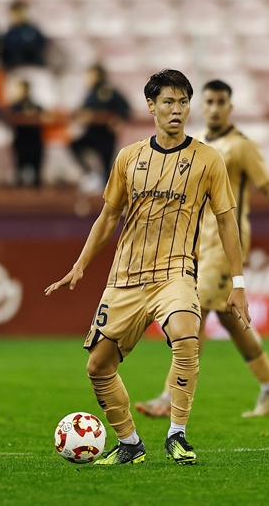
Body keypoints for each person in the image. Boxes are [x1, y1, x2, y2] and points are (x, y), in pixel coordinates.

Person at [45, 69, 250, 466]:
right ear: (151, 106)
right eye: (169, 102)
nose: (177, 110)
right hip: (124, 278)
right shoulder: (129, 158)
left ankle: (177, 434)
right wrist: (80, 265)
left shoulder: (209, 160)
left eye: (184, 102)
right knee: (98, 366)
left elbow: (227, 220)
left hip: (175, 274)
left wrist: (238, 282)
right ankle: (129, 444)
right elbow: (107, 217)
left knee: (187, 336)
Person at [135, 80, 269, 419]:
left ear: (230, 107)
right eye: (210, 102)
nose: (216, 108)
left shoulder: (241, 147)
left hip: (225, 241)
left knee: (195, 311)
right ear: (201, 106)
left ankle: (169, 395)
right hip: (196, 240)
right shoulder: (199, 144)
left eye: (222, 102)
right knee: (231, 319)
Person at [71, 64, 130, 189]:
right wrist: (83, 115)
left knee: (107, 166)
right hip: (92, 132)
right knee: (75, 145)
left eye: (90, 75)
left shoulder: (109, 92)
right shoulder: (90, 93)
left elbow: (125, 107)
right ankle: (90, 174)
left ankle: (107, 193)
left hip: (106, 134)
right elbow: (82, 110)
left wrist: (118, 119)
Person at [2, 80, 51, 187]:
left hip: (35, 140)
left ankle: (37, 189)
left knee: (36, 168)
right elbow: (6, 117)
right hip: (21, 140)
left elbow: (46, 116)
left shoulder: (34, 105)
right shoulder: (14, 106)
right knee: (20, 167)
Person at [1, 0, 48, 70]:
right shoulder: (9, 32)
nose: (16, 16)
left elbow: (39, 48)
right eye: (14, 13)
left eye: (19, 12)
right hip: (14, 68)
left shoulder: (32, 30)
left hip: (32, 67)